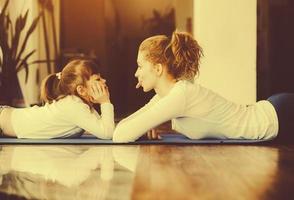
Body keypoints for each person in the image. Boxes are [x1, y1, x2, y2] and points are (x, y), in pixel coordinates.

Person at [113, 31, 293, 143]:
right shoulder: (165, 96)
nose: (136, 73)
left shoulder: (180, 95)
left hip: (277, 117)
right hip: (275, 113)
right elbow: (124, 128)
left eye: (139, 66)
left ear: (158, 68)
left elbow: (120, 135)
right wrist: (141, 128)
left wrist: (138, 128)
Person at [0, 59, 114, 139]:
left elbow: (104, 126)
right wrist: (105, 102)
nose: (104, 81)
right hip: (3, 122)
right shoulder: (74, 106)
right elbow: (107, 133)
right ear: (81, 90)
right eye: (98, 79)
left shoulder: (78, 104)